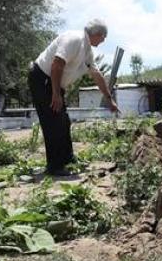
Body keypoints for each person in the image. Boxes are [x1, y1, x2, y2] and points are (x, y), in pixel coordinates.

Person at [29, 19, 119, 176]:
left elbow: (97, 75)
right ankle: (55, 166)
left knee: (63, 121)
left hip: (54, 84)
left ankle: (68, 160)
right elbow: (57, 64)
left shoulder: (87, 50)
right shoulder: (74, 39)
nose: (103, 41)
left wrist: (109, 99)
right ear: (98, 34)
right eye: (104, 38)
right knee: (53, 122)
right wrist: (56, 94)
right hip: (43, 79)